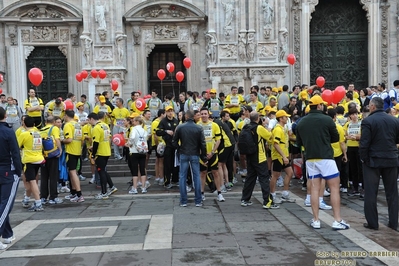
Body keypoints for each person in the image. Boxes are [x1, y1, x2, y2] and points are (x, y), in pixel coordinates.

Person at [296, 95, 350, 230]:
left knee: (314, 189)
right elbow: (335, 138)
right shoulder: (327, 120)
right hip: (326, 157)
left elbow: (299, 143)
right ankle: (337, 220)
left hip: (311, 159)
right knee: (334, 188)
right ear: (319, 106)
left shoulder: (301, 122)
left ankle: (316, 220)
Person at [359, 97, 399, 231]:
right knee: (392, 192)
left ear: (372, 107)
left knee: (371, 192)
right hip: (391, 158)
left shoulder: (368, 121)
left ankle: (373, 223)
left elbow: (364, 143)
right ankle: (394, 222)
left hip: (373, 160)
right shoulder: (394, 120)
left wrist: (364, 159)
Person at [240, 111, 278, 209]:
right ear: (258, 119)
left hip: (250, 156)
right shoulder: (259, 128)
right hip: (259, 156)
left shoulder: (246, 127)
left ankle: (245, 199)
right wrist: (267, 126)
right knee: (264, 178)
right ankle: (267, 201)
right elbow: (270, 137)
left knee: (250, 178)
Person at [172, 110, 207, 207]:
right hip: (195, 153)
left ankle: (183, 200)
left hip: (184, 152)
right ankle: (198, 200)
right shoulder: (199, 128)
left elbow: (174, 142)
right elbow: (203, 144)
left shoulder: (180, 127)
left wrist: (179, 149)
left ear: (186, 116)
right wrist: (203, 156)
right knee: (196, 176)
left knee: (182, 176)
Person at [0, 107, 22, 249]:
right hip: (8, 170)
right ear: (5, 115)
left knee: (2, 204)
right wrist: (19, 171)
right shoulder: (8, 132)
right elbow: (15, 152)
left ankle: (7, 234)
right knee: (6, 204)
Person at [17, 116, 45, 212]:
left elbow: (17, 146)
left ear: (24, 124)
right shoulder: (38, 133)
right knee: (31, 181)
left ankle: (38, 203)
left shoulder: (24, 134)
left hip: (29, 160)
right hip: (39, 158)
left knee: (32, 182)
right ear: (33, 124)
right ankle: (27, 199)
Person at [89, 112, 117, 199]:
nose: (88, 122)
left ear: (92, 119)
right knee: (103, 170)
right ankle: (112, 186)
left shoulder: (96, 128)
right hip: (106, 150)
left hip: (100, 152)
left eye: (88, 120)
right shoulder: (105, 125)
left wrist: (93, 155)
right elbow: (107, 138)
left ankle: (104, 192)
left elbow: (96, 142)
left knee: (101, 171)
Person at [39, 116, 63, 205]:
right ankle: (53, 197)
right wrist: (60, 150)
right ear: (53, 122)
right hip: (52, 155)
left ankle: (43, 197)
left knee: (44, 177)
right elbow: (57, 139)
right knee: (53, 176)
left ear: (46, 122)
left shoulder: (41, 130)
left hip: (43, 155)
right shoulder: (54, 128)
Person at [62, 110, 84, 202]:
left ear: (66, 116)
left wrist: (61, 140)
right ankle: (74, 192)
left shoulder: (68, 125)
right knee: (73, 172)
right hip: (78, 150)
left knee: (72, 172)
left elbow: (69, 139)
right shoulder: (78, 124)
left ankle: (79, 194)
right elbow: (82, 140)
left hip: (70, 150)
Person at [127, 116, 149, 194]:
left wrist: (129, 144)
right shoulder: (143, 130)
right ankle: (143, 187)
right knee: (142, 169)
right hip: (142, 151)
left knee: (135, 170)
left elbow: (132, 138)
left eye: (134, 121)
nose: (133, 122)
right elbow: (146, 138)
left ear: (137, 122)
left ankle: (135, 188)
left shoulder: (134, 129)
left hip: (134, 151)